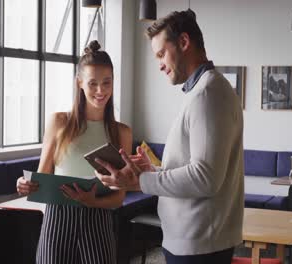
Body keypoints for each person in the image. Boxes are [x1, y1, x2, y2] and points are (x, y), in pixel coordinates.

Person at [95, 10, 244, 264]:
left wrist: (141, 181)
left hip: (198, 245)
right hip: (194, 240)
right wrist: (155, 170)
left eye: (161, 54)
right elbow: (198, 169)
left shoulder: (207, 94)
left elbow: (206, 178)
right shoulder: (204, 91)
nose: (160, 65)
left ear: (184, 42)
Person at [16, 40, 132, 264]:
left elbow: (118, 197)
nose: (101, 91)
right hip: (57, 218)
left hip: (98, 220)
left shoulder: (122, 132)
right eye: (92, 84)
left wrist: (92, 202)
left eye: (107, 83)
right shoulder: (59, 122)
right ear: (79, 83)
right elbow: (42, 176)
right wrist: (24, 183)